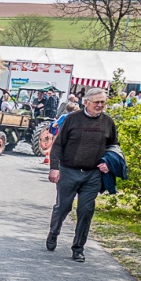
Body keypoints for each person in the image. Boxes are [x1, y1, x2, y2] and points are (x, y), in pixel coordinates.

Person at [46, 88, 117, 262]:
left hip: (92, 174)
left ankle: (78, 248)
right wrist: (54, 168)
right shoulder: (72, 119)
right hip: (69, 171)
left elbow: (114, 146)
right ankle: (53, 233)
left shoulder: (108, 122)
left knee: (86, 211)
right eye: (96, 102)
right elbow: (58, 145)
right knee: (63, 207)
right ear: (86, 102)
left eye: (103, 102)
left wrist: (109, 163)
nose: (100, 105)